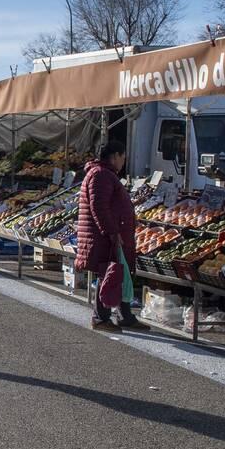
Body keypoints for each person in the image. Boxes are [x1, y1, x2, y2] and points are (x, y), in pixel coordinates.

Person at [77, 141, 148, 333]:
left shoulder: (104, 174)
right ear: (115, 156)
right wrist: (112, 232)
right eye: (123, 157)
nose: (124, 161)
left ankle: (125, 316)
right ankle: (101, 317)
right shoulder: (101, 174)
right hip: (105, 236)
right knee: (110, 274)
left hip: (110, 234)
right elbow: (99, 207)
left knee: (120, 274)